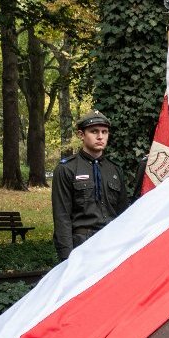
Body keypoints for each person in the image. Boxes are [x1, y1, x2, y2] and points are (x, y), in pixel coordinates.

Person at [52, 112, 132, 261]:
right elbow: (61, 217)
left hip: (112, 245)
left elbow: (123, 214)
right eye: (94, 131)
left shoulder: (114, 170)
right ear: (81, 135)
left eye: (104, 132)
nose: (100, 136)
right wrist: (67, 259)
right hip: (82, 246)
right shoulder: (67, 169)